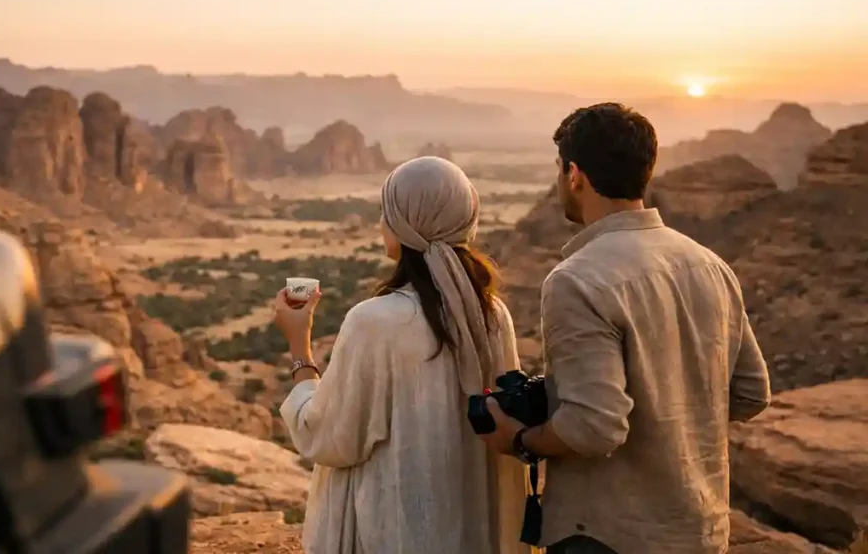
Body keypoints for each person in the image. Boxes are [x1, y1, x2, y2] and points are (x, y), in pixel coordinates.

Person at [478, 103, 772, 554]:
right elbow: (751, 392)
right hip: (701, 529)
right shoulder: (708, 264)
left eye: (560, 169)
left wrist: (518, 440)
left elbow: (593, 427)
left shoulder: (577, 280)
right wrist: (669, 416)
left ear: (574, 174)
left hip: (605, 535)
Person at [272, 156, 531, 554]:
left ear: (405, 224)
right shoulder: (493, 314)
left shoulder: (375, 321)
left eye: (387, 213)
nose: (381, 224)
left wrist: (299, 347)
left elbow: (325, 436)